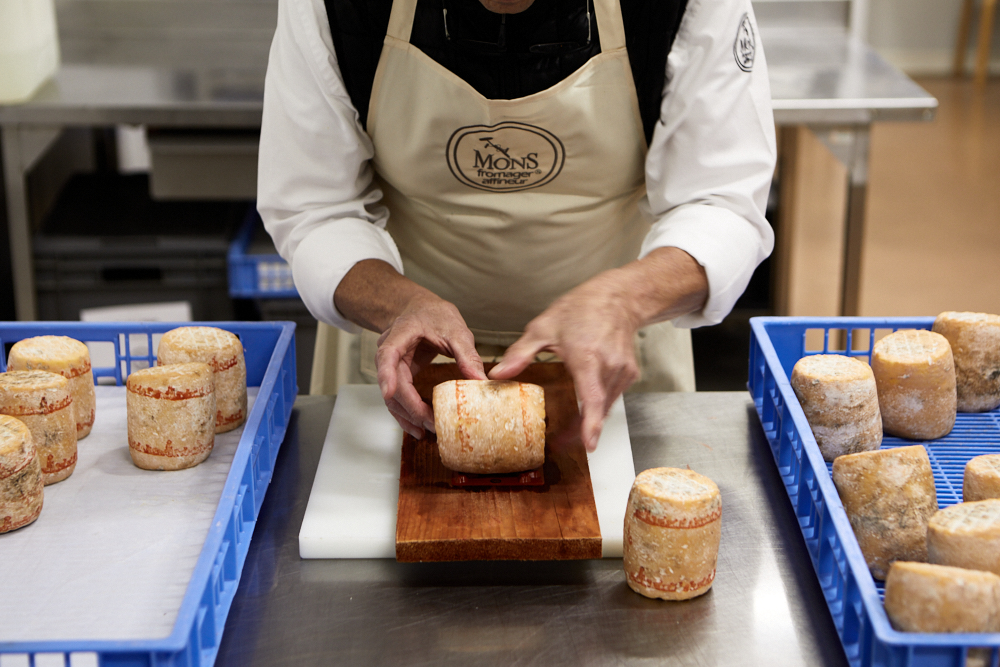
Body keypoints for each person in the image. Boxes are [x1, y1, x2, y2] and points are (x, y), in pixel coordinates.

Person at [258, 0, 775, 451]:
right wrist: (399, 305)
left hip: (612, 361)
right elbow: (315, 204)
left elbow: (721, 199)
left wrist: (625, 300)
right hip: (397, 368)